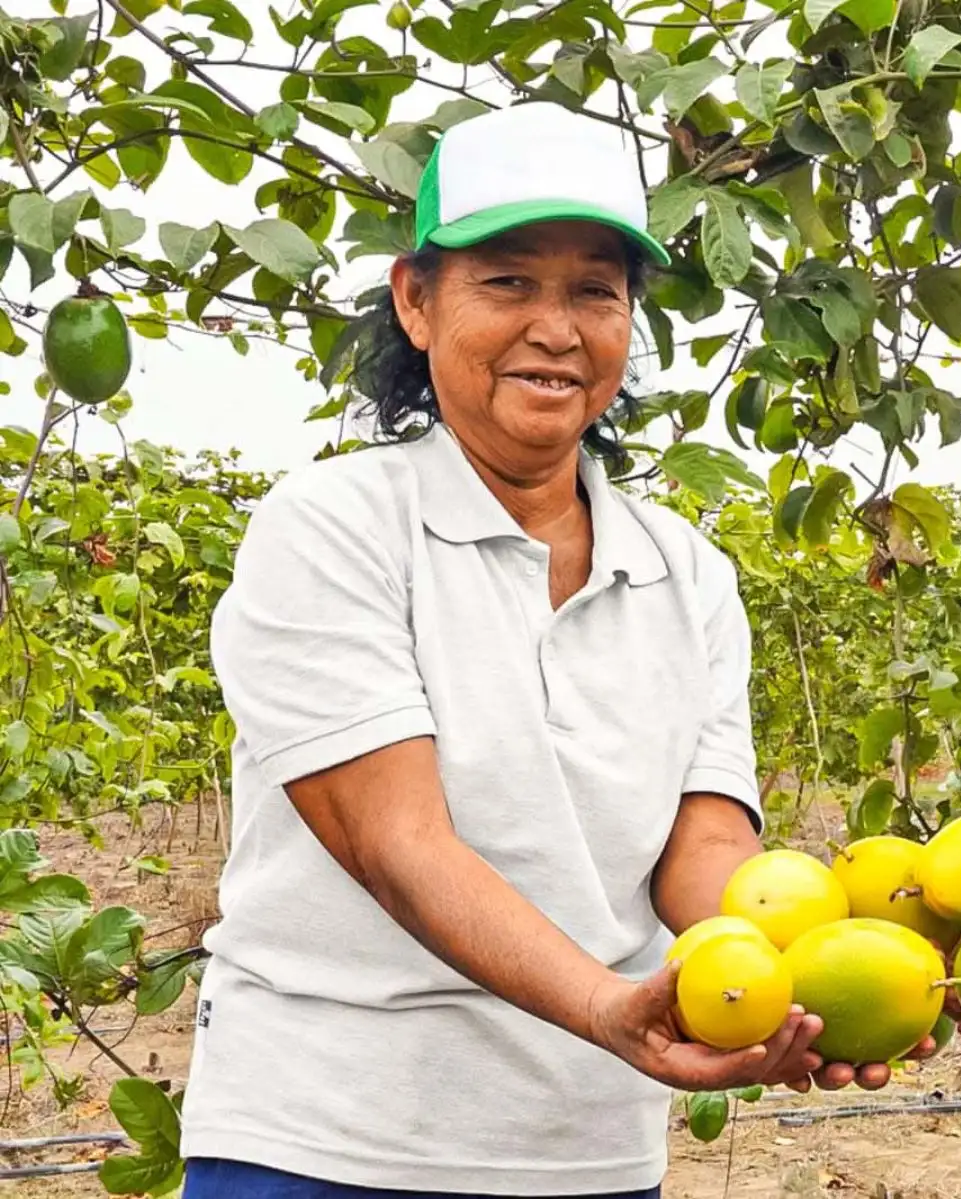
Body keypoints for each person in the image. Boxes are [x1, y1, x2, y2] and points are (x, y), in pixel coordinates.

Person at [179, 101, 906, 1199]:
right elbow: (399, 844)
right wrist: (609, 1006)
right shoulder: (333, 526)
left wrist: (821, 972)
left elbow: (704, 844)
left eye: (594, 292)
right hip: (327, 1141)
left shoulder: (686, 572)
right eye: (508, 281)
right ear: (416, 301)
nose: (556, 329)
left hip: (587, 1148)